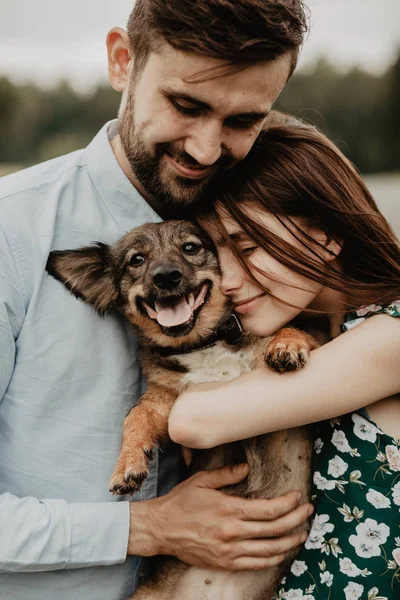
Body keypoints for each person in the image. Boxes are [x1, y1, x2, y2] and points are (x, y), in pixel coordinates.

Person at [0, 2, 314, 599]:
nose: (205, 149)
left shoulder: (265, 235)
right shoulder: (9, 233)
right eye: (186, 105)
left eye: (244, 120)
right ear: (123, 61)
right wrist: (144, 526)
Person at [168, 122, 400, 598]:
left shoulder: (391, 336)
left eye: (247, 247)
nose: (226, 281)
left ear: (329, 234)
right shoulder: (311, 338)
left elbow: (193, 419)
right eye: (216, 254)